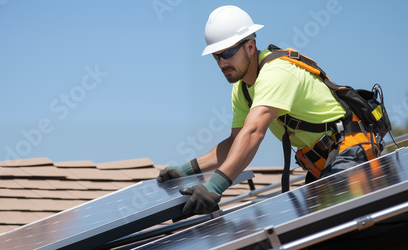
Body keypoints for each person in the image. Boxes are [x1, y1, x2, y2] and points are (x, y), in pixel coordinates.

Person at [157, 5, 379, 215]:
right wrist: (186, 170)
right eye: (216, 56)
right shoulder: (242, 88)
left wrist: (215, 186)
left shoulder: (276, 73)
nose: (222, 63)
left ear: (250, 47)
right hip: (322, 164)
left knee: (338, 228)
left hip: (350, 151)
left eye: (227, 53)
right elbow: (236, 142)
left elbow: (253, 132)